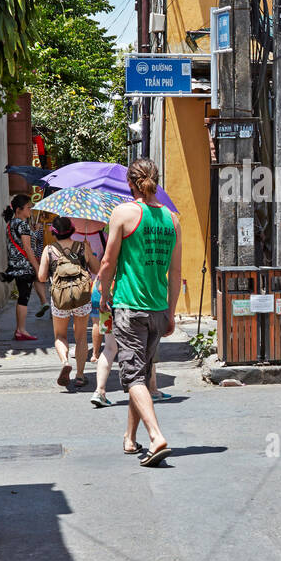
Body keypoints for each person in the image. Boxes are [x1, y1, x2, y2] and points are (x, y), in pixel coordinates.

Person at [97, 158, 181, 464]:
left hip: (130, 307)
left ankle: (156, 437)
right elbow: (175, 272)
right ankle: (130, 439)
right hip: (159, 309)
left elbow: (107, 262)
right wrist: (171, 312)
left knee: (132, 377)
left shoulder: (123, 213)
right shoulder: (172, 220)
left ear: (130, 184)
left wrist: (103, 294)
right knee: (141, 376)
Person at [37, 216, 100, 389]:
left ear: (54, 232)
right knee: (80, 337)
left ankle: (65, 362)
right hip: (81, 297)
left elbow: (41, 277)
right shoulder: (82, 246)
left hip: (60, 299)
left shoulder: (49, 250)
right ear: (72, 230)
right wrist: (87, 251)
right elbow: (97, 269)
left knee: (60, 336)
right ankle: (80, 376)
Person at [3, 194, 40, 341]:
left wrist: (33, 230)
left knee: (22, 296)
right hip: (24, 266)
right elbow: (28, 248)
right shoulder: (23, 224)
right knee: (24, 297)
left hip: (15, 265)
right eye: (28, 207)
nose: (30, 210)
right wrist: (36, 266)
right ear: (19, 209)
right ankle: (21, 330)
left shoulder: (12, 223)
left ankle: (20, 329)